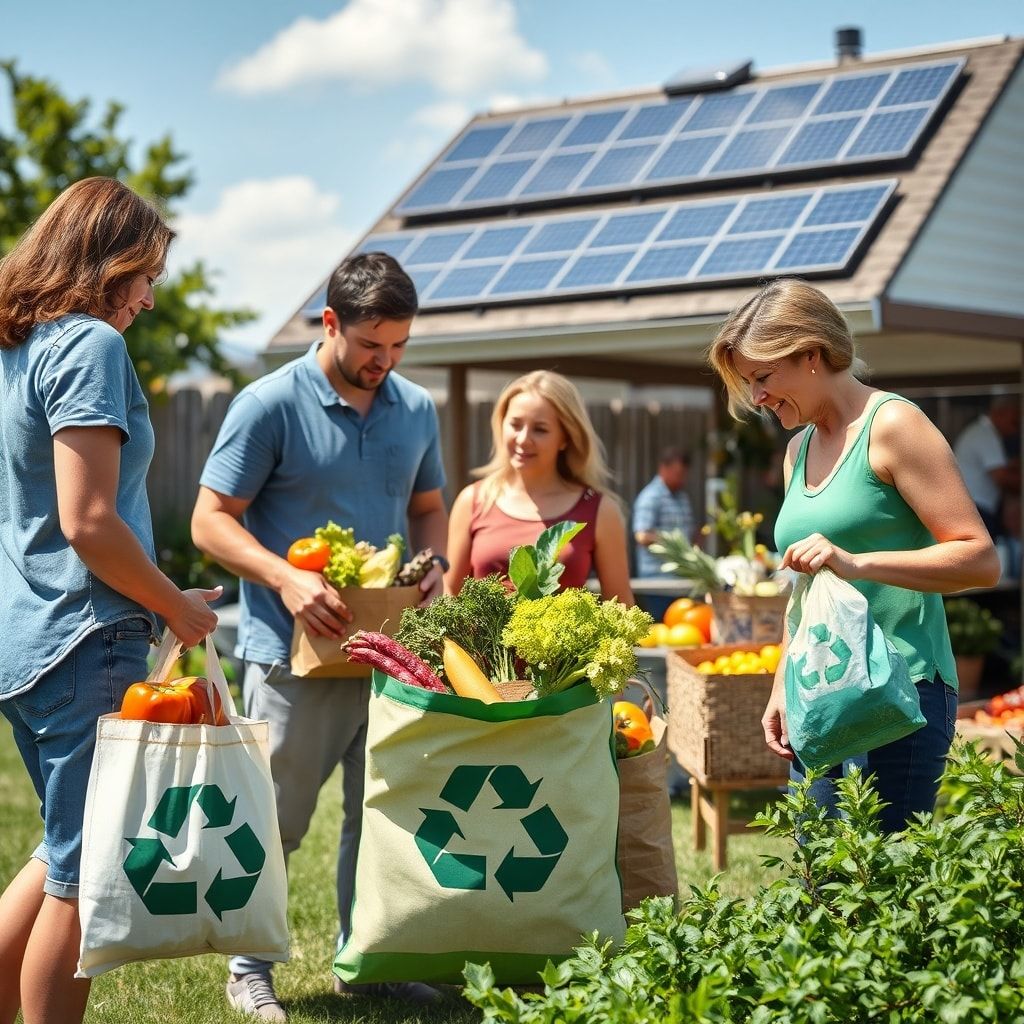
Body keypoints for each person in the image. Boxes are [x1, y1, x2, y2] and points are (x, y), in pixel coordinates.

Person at [191, 252, 448, 1021]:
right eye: (373, 345)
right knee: (278, 820)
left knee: (379, 818)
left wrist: (433, 561)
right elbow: (210, 520)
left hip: (389, 657)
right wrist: (285, 577)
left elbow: (429, 505)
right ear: (330, 323)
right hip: (290, 658)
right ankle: (248, 967)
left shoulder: (416, 408)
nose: (386, 362)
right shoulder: (269, 404)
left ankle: (365, 959)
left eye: (400, 346)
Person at [0, 177, 220, 1024]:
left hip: (29, 643)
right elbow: (88, 522)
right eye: (146, 274)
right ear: (107, 261)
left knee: (59, 856)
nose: (152, 297)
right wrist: (173, 605)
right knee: (85, 878)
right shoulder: (89, 345)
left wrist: (162, 595)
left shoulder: (19, 348)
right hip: (82, 641)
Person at [708, 278, 999, 835]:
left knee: (882, 891)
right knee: (818, 878)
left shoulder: (893, 425)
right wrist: (780, 686)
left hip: (902, 689)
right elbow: (806, 586)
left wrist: (858, 562)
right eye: (749, 383)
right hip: (821, 689)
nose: (757, 397)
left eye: (763, 377)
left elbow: (980, 559)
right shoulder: (799, 449)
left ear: (811, 355)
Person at [445, 370, 634, 604]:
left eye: (540, 429)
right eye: (515, 424)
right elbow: (448, 595)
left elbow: (622, 608)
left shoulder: (600, 511)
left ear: (565, 438)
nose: (523, 439)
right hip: (476, 642)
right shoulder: (472, 501)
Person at [631, 447, 694, 620]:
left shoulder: (681, 497)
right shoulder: (651, 497)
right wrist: (671, 543)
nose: (682, 479)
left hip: (680, 580)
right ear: (663, 469)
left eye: (684, 474)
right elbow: (641, 535)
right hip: (657, 582)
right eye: (678, 473)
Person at [953, 395, 1020, 539]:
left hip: (974, 507)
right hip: (976, 509)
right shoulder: (984, 433)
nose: (1016, 429)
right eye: (1015, 421)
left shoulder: (981, 432)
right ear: (1000, 413)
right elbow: (1001, 477)